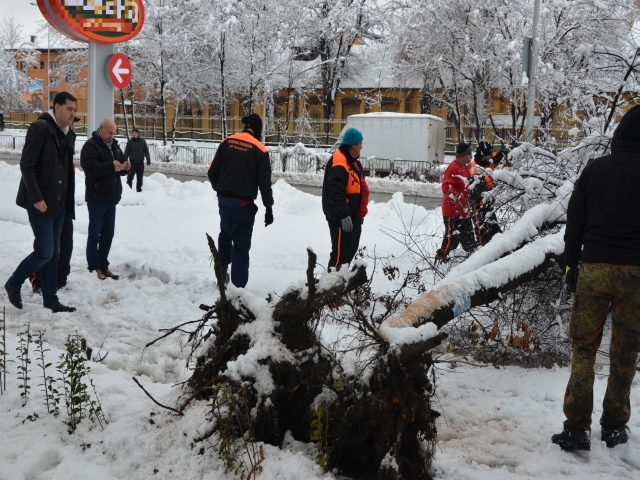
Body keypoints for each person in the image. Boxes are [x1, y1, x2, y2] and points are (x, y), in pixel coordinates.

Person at [552, 105, 640, 451]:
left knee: (584, 349)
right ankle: (615, 426)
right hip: (637, 275)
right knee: (626, 352)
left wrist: (570, 266)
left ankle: (576, 429)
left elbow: (574, 223)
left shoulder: (595, 169)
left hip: (595, 269)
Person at [4, 92, 77, 313]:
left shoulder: (67, 134)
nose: (73, 113)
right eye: (69, 109)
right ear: (56, 108)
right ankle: (14, 282)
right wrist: (36, 198)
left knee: (53, 253)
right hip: (41, 203)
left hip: (59, 203)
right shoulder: (41, 128)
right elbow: (26, 165)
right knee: (45, 251)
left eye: (75, 109)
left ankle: (50, 299)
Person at [207, 114, 273, 288]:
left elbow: (212, 172)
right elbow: (264, 184)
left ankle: (221, 271)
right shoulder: (260, 150)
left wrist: (220, 191)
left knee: (226, 234)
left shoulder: (226, 142)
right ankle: (238, 288)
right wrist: (269, 208)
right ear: (258, 129)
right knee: (241, 246)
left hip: (224, 202)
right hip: (243, 205)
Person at [30, 117, 79, 292]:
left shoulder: (68, 144)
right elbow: (29, 168)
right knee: (46, 247)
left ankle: (59, 279)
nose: (72, 126)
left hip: (64, 205)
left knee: (65, 245)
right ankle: (39, 281)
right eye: (70, 122)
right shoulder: (47, 138)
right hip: (48, 204)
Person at [81, 118, 130, 280]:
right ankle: (94, 267)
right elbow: (89, 168)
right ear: (100, 129)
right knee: (95, 234)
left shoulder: (114, 145)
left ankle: (104, 265)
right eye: (109, 132)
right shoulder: (90, 146)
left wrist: (125, 167)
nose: (112, 135)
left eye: (114, 132)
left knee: (108, 234)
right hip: (96, 198)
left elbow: (120, 163)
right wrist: (111, 166)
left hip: (111, 198)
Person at [322, 127, 369, 270]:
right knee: (340, 257)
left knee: (347, 254)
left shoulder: (353, 161)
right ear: (353, 145)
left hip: (353, 217)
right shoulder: (339, 163)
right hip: (342, 219)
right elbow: (335, 192)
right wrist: (344, 215)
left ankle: (339, 285)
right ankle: (330, 286)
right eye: (360, 143)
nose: (362, 146)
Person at [435, 143, 476, 263]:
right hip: (452, 211)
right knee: (450, 240)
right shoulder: (453, 168)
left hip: (464, 211)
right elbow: (446, 186)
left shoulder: (468, 168)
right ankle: (441, 258)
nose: (471, 156)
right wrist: (455, 198)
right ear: (463, 155)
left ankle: (474, 259)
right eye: (469, 153)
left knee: (469, 239)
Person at [468, 141, 502, 246]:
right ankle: (482, 249)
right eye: (487, 156)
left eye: (490, 155)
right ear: (481, 155)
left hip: (488, 201)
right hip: (478, 203)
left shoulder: (489, 162)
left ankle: (498, 246)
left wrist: (503, 154)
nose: (489, 157)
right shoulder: (475, 169)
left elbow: (496, 156)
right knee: (481, 230)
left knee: (494, 227)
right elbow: (478, 189)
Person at [124, 127, 151, 192]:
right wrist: (124, 160)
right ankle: (129, 190)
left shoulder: (143, 141)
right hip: (132, 163)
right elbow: (126, 152)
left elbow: (146, 151)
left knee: (139, 179)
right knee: (130, 178)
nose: (134, 134)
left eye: (135, 133)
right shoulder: (130, 142)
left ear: (138, 133)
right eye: (133, 133)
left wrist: (148, 160)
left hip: (140, 163)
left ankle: (139, 190)